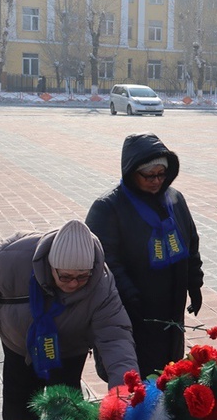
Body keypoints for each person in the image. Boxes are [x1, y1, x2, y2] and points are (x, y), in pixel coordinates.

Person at [0, 219, 137, 420]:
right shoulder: (10, 258)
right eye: (65, 277)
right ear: (50, 265)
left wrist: (124, 390)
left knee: (67, 407)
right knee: (19, 406)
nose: (74, 283)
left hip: (70, 348)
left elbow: (116, 336)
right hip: (21, 346)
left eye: (82, 277)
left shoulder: (101, 282)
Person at [86, 133, 204, 378]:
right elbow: (106, 262)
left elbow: (190, 243)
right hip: (132, 311)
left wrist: (194, 284)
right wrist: (131, 297)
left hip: (170, 307)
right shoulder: (108, 208)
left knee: (167, 372)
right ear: (131, 173)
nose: (156, 181)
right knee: (134, 378)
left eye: (161, 174)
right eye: (149, 175)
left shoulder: (174, 199)